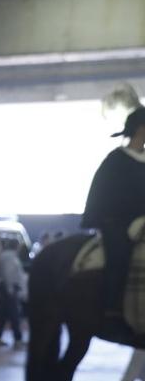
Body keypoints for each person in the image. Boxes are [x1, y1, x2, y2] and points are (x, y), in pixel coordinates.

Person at [82, 106, 145, 321]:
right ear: (140, 129)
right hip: (116, 223)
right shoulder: (115, 161)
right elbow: (105, 196)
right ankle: (112, 309)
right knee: (119, 255)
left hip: (141, 222)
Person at [0, 236, 26, 347]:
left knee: (3, 314)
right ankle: (18, 339)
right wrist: (10, 289)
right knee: (14, 315)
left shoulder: (8, 256)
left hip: (7, 288)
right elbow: (8, 274)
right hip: (9, 288)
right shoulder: (9, 257)